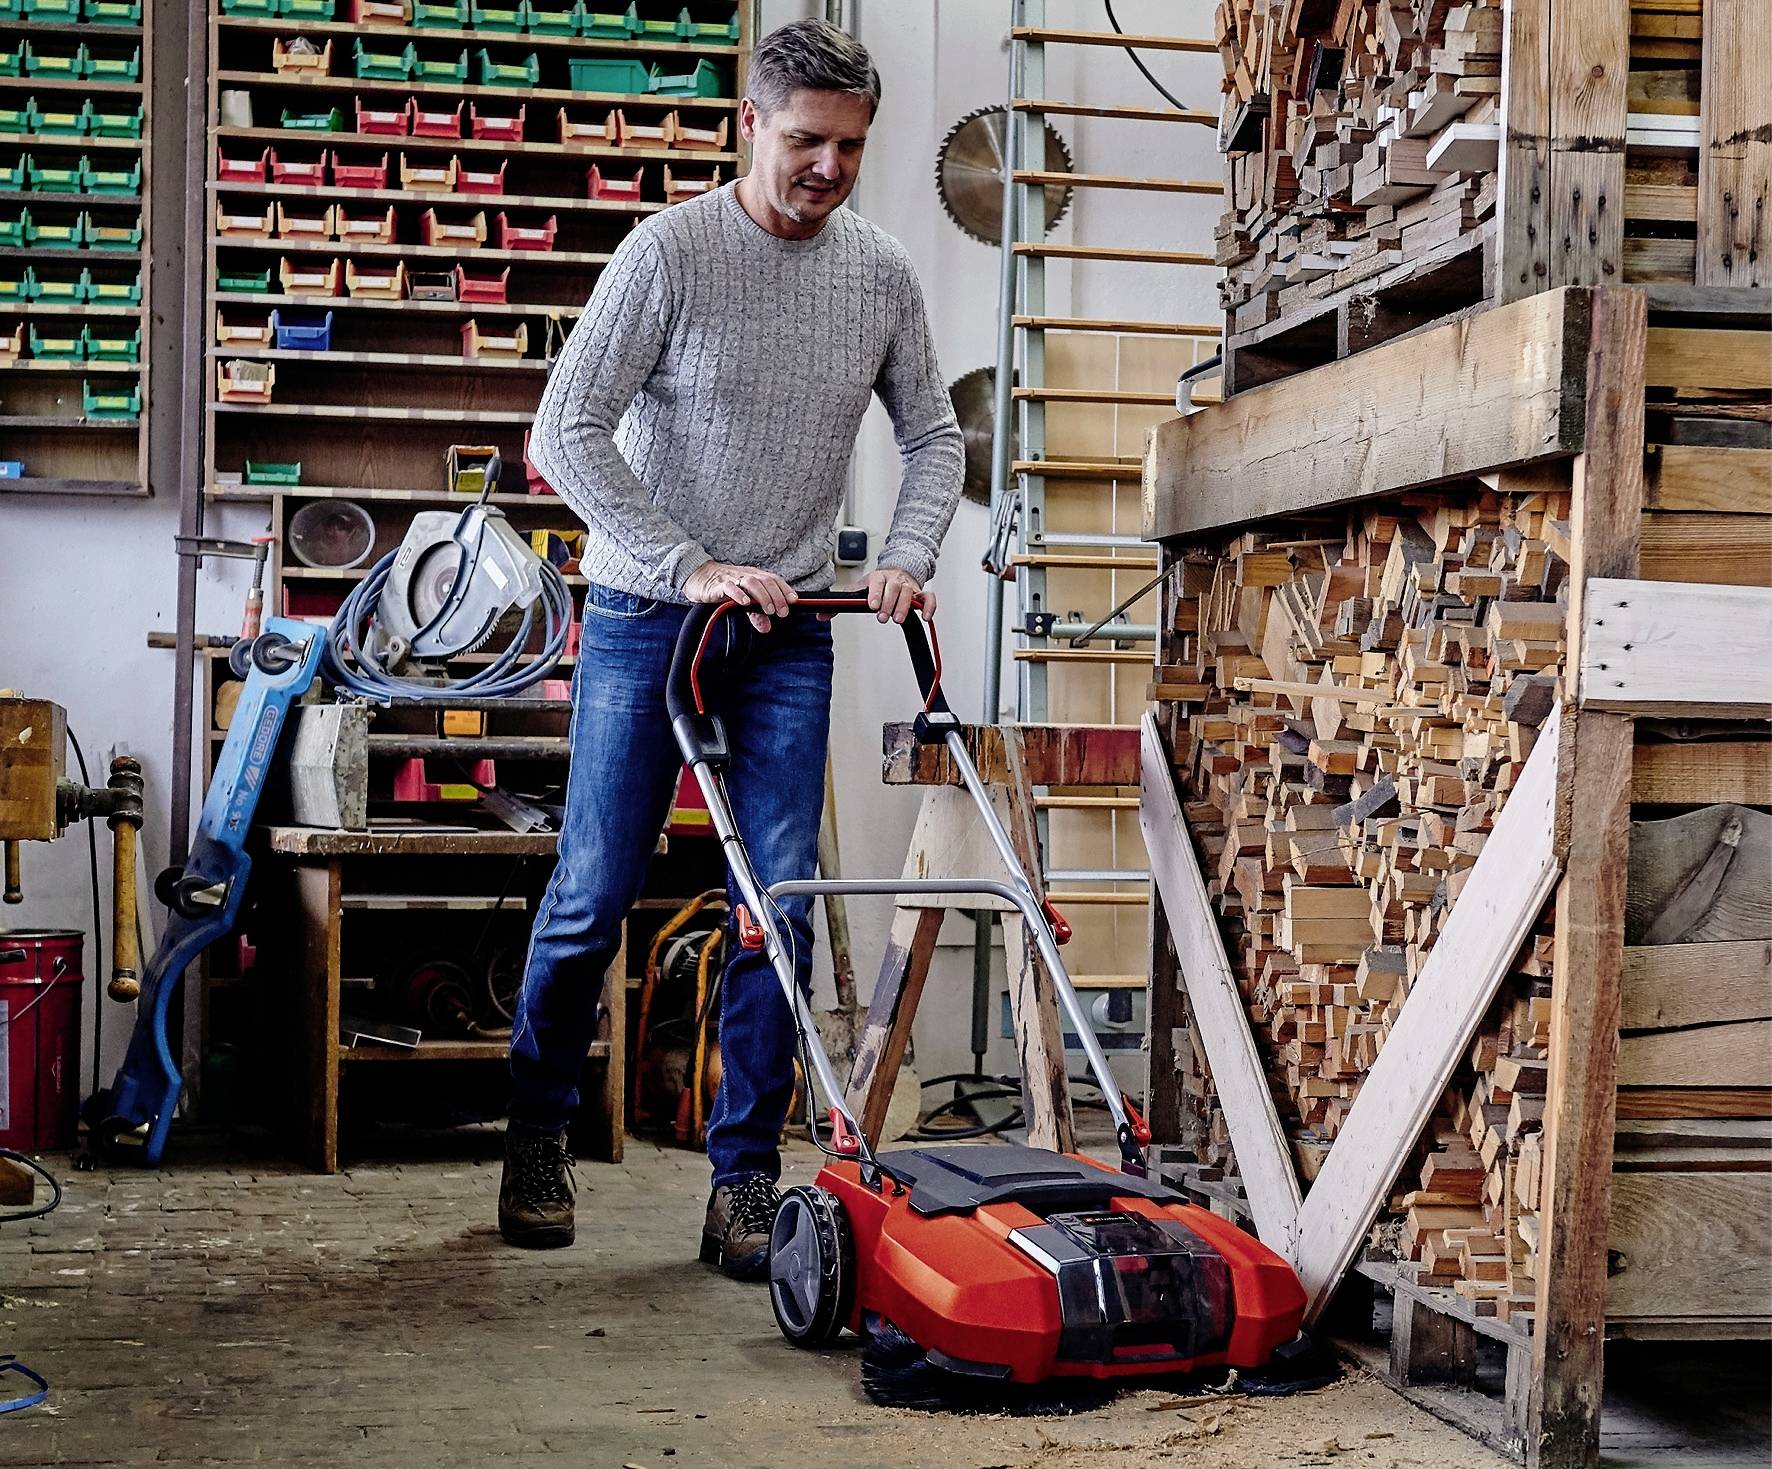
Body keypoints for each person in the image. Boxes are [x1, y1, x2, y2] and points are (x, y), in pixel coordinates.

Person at [499, 18, 964, 1276]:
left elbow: (934, 437)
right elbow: (566, 429)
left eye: (850, 147)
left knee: (780, 906)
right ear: (746, 126)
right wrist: (686, 559)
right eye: (805, 140)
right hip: (650, 618)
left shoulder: (876, 275)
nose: (827, 167)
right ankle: (536, 1129)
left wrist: (906, 557)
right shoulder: (667, 253)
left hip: (784, 628)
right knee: (594, 891)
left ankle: (744, 1181)